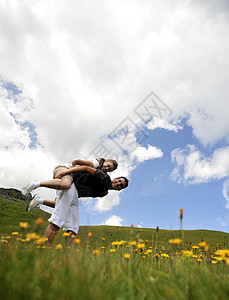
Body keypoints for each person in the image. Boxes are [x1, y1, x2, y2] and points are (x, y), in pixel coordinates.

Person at [42, 165, 129, 244]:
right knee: (59, 218)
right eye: (119, 181)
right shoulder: (105, 177)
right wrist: (63, 173)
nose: (118, 183)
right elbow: (86, 168)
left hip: (75, 195)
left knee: (73, 226)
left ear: (119, 190)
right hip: (72, 183)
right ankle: (42, 246)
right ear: (116, 178)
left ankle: (69, 256)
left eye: (120, 185)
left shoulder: (103, 192)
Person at [22, 157, 118, 211]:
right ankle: (35, 184)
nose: (107, 168)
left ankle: (39, 200)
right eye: (108, 165)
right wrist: (71, 164)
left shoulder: (100, 174)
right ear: (106, 161)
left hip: (71, 176)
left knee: (59, 204)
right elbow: (79, 162)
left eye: (109, 169)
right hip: (66, 170)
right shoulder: (96, 163)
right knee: (66, 184)